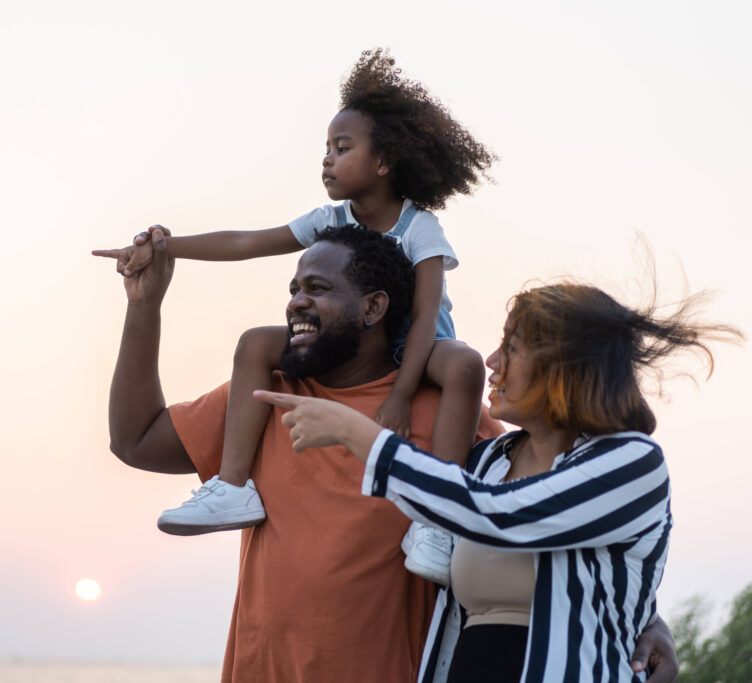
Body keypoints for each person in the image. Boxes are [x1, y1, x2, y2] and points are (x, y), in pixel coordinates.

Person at [103, 225, 681, 682]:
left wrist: (645, 618)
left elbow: (532, 513)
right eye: (293, 289)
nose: (296, 304)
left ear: (375, 308)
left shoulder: (455, 426)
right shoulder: (266, 398)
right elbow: (135, 439)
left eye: (318, 290)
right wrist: (143, 307)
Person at [94, 48, 494, 585]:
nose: (327, 158)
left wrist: (401, 393)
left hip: (421, 346)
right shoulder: (329, 220)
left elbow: (423, 315)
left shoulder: (420, 228)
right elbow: (247, 241)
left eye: (342, 148)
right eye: (326, 147)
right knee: (255, 342)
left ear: (384, 162)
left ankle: (437, 517)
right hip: (366, 346)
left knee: (466, 365)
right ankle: (234, 486)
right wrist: (167, 246)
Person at [255, 278, 739, 682]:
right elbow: (439, 505)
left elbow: (499, 514)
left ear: (564, 367)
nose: (491, 361)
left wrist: (356, 433)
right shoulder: (486, 460)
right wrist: (650, 618)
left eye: (511, 347)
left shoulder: (631, 462)